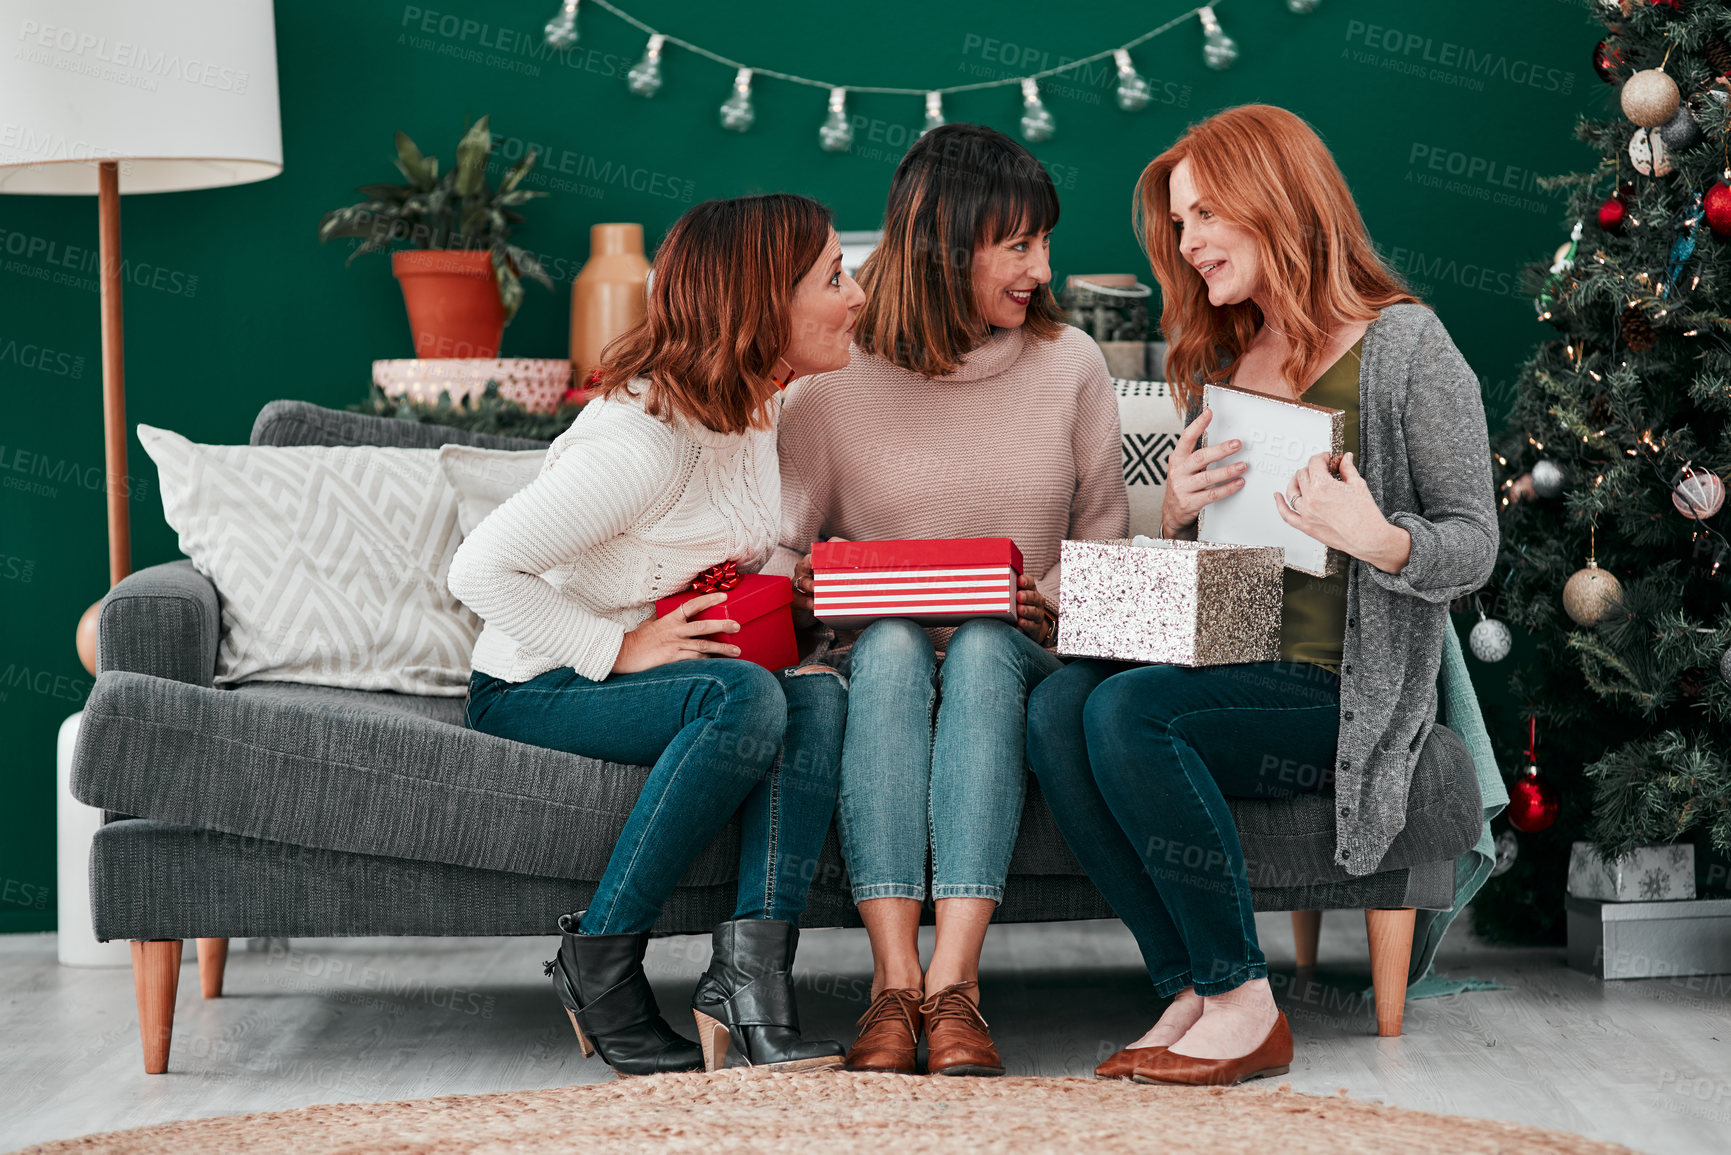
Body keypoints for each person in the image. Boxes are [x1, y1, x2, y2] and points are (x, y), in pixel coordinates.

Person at [1025, 104, 1497, 1086]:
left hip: (1337, 688)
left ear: (1274, 201)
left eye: (1203, 216)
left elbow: (1475, 544)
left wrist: (1377, 537)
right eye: (1181, 224)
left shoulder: (1408, 348)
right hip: (1233, 652)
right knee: (1058, 704)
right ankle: (1193, 985)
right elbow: (1234, 572)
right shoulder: (1223, 358)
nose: (1187, 244)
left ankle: (1244, 999)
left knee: (1125, 710)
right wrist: (1180, 516)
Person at [448, 193, 867, 1076]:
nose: (857, 293)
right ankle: (598, 962)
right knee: (744, 696)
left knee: (819, 694)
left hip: (648, 678)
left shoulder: (754, 404)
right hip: (537, 684)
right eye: (835, 276)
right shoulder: (639, 444)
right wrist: (621, 648)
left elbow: (698, 549)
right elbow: (479, 571)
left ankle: (750, 987)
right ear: (763, 303)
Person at [770, 123, 1129, 1076]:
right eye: (1017, 245)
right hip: (870, 646)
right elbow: (776, 550)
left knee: (974, 643)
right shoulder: (831, 384)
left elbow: (1106, 543)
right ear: (943, 247)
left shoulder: (1071, 366)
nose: (1041, 269)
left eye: (1043, 241)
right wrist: (804, 585)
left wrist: (1045, 603)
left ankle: (956, 983)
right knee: (889, 641)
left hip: (1016, 647)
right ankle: (894, 983)